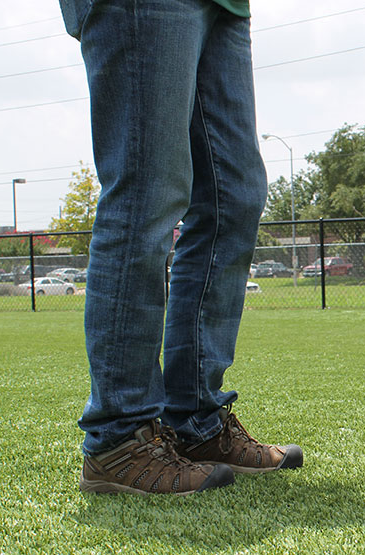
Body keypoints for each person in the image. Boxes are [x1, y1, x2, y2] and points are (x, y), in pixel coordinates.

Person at [59, 0, 303, 495]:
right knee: (147, 191)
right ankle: (119, 436)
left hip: (226, 5)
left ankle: (196, 422)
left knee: (233, 197)